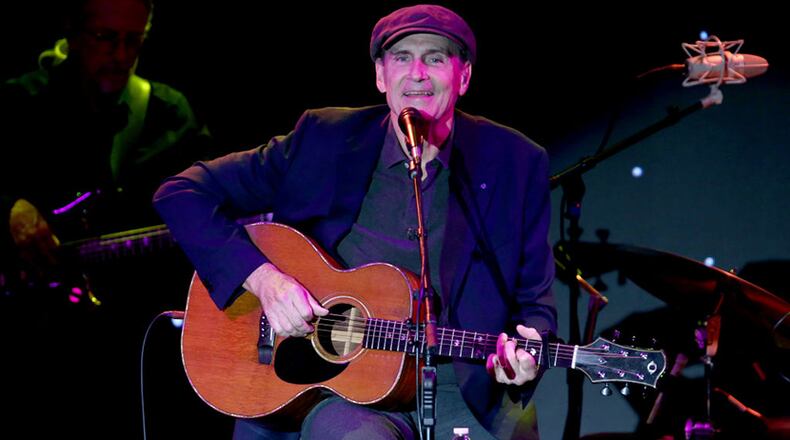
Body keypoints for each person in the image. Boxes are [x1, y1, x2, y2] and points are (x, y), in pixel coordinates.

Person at [154, 4, 556, 439]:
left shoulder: (515, 162)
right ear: (381, 76)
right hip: (334, 392)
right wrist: (265, 281)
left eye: (436, 58)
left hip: (461, 389)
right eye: (402, 58)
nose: (417, 73)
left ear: (464, 77)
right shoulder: (324, 138)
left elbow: (534, 302)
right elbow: (181, 192)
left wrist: (525, 354)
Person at [0, 0, 211, 437]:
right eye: (105, 38)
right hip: (34, 331)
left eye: (133, 40)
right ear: (73, 33)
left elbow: (208, 199)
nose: (120, 53)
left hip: (131, 331)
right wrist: (11, 207)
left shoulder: (170, 114)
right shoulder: (22, 101)